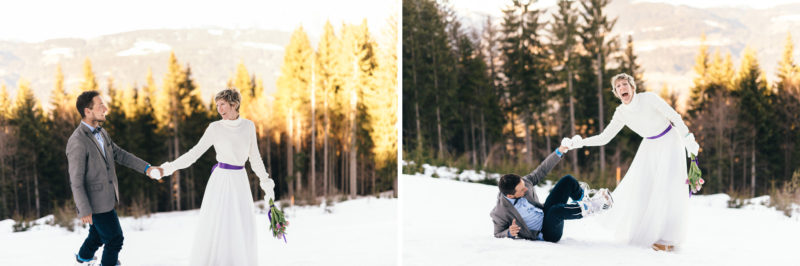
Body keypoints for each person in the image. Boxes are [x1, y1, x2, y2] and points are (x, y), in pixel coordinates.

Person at [566, 73, 699, 251]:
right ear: (616, 93)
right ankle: (648, 232)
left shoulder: (649, 98)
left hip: (669, 141)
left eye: (625, 84)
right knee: (641, 187)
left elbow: (675, 117)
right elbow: (604, 137)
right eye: (618, 86)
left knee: (665, 188)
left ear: (632, 87)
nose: (622, 88)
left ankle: (666, 240)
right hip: (649, 145)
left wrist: (688, 139)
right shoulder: (621, 113)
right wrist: (579, 143)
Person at [159, 88, 275, 266]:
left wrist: (266, 183)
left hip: (240, 181)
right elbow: (194, 154)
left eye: (223, 104)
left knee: (239, 224)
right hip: (221, 181)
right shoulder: (215, 128)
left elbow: (255, 158)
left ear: (234, 104)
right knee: (220, 225)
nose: (219, 109)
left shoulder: (248, 126)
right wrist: (168, 168)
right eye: (217, 105)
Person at [68, 90, 163, 266]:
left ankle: (82, 259)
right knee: (114, 239)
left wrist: (147, 168)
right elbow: (76, 179)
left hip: (107, 197)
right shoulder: (77, 141)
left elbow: (120, 154)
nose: (106, 109)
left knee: (97, 235)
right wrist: (84, 208)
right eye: (100, 106)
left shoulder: (102, 132)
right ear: (87, 111)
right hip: (95, 203)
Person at [490, 145, 613, 242]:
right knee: (556, 211)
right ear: (510, 196)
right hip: (546, 233)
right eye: (522, 190)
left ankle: (583, 199)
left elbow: (542, 170)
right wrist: (509, 232)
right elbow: (497, 233)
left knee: (567, 180)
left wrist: (559, 151)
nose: (526, 189)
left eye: (524, 186)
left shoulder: (524, 182)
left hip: (546, 213)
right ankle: (593, 207)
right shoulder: (500, 212)